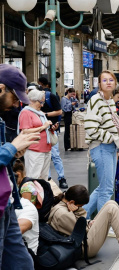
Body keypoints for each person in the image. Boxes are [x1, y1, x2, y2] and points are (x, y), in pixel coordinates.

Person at [0, 64, 41, 270]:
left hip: (6, 203)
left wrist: (13, 151)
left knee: (23, 264)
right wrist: (11, 148)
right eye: (15, 98)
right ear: (1, 89)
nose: (17, 104)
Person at [48, 185, 119, 260]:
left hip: (82, 240)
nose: (81, 208)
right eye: (81, 206)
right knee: (111, 209)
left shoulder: (64, 204)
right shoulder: (63, 214)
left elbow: (77, 226)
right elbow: (81, 232)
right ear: (72, 202)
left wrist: (88, 222)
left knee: (111, 203)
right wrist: (79, 213)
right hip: (84, 248)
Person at [83, 70, 119, 219]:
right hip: (102, 147)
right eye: (105, 80)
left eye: (111, 80)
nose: (108, 82)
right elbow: (91, 128)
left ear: (115, 83)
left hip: (110, 147)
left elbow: (107, 124)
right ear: (99, 84)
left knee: (104, 187)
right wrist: (111, 137)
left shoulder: (109, 101)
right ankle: (102, 224)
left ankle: (81, 216)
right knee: (106, 189)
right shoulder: (96, 100)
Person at [18, 90, 53, 181]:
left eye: (43, 102)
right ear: (32, 100)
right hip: (34, 149)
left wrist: (50, 128)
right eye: (41, 102)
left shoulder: (39, 113)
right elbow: (25, 131)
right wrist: (43, 127)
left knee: (43, 178)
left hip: (45, 148)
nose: (42, 105)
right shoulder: (26, 112)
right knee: (33, 178)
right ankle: (33, 195)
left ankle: (41, 195)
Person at [42, 82, 68, 188]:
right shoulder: (29, 105)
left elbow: (59, 111)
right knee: (45, 156)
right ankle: (47, 179)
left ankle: (61, 178)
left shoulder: (49, 97)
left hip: (50, 131)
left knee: (55, 155)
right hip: (41, 132)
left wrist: (46, 116)